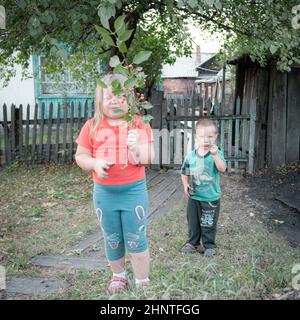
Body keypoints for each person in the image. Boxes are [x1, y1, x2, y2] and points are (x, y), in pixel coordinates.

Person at [75, 74, 155, 293]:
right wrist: (95, 163)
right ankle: (119, 275)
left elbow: (149, 158)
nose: (114, 101)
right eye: (109, 96)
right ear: (99, 100)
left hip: (133, 191)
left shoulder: (139, 124)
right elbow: (80, 156)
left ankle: (142, 279)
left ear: (130, 100)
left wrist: (136, 147)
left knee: (136, 235)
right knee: (112, 236)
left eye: (120, 96)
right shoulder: (92, 126)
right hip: (104, 193)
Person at [180, 118, 226, 257]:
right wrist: (185, 185)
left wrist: (215, 155)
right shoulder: (191, 156)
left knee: (208, 221)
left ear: (216, 137)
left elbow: (222, 169)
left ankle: (209, 245)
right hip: (194, 197)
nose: (206, 140)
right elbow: (184, 172)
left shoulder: (216, 154)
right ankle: (192, 243)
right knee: (193, 221)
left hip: (210, 197)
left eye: (210, 137)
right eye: (202, 137)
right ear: (196, 137)